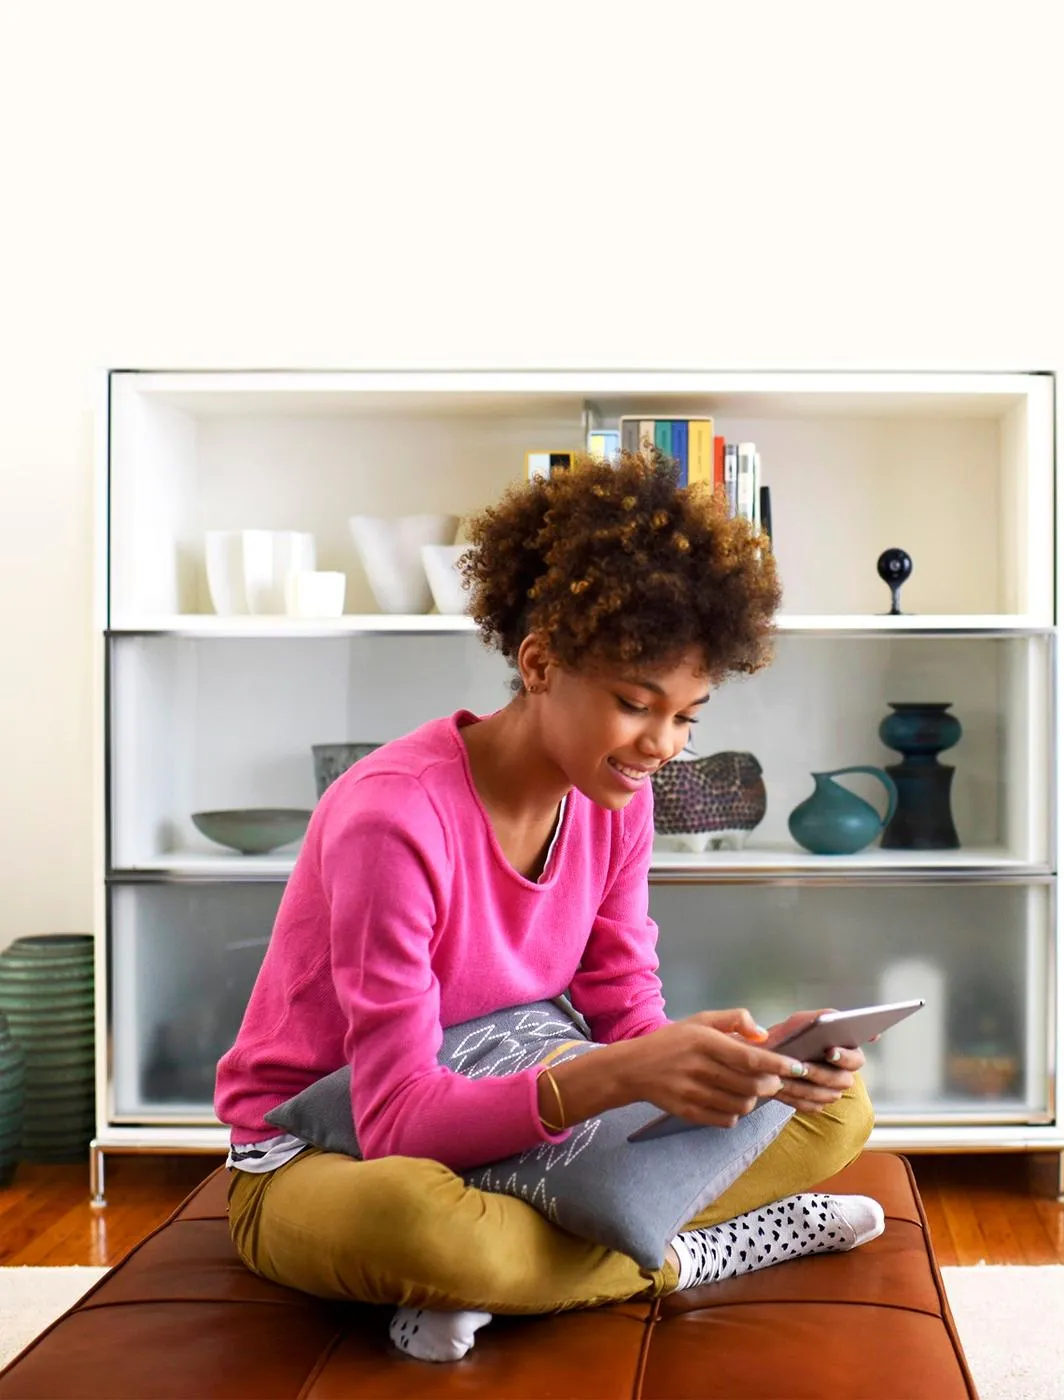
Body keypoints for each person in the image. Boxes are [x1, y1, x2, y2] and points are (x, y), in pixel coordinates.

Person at [214, 450, 880, 1363]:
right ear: (537, 663)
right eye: (634, 704)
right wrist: (630, 1076)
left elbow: (625, 1016)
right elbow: (399, 1118)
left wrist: (736, 1066)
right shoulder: (393, 818)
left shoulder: (620, 803)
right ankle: (693, 1253)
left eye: (689, 716)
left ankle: (534, 1272)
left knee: (832, 1115)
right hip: (331, 1149)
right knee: (428, 1228)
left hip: (514, 1111)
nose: (662, 746)